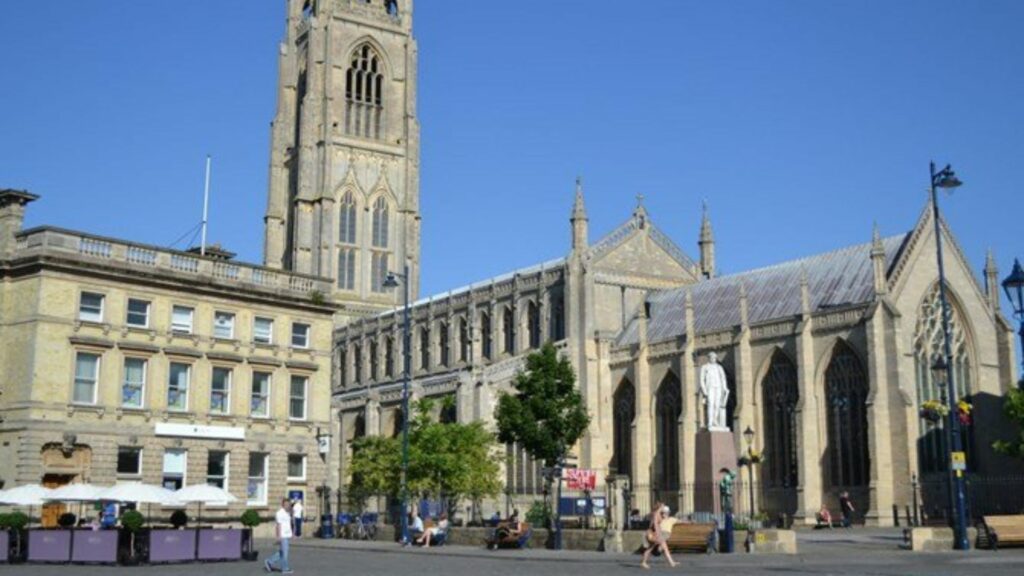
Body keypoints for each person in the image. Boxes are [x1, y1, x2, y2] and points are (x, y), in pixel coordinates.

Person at [640, 501, 677, 570]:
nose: (663, 508)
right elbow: (655, 525)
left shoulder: (657, 514)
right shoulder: (656, 514)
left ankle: (671, 562)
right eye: (663, 507)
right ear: (660, 507)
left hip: (653, 533)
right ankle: (671, 562)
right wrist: (658, 534)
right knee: (658, 548)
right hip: (653, 533)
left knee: (654, 548)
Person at [265, 498, 294, 574]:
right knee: (285, 553)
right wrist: (278, 536)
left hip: (287, 535)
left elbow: (288, 524)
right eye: (286, 504)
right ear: (282, 504)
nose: (287, 506)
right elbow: (278, 525)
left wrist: (292, 533)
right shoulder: (279, 513)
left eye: (288, 504)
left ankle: (269, 561)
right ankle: (285, 568)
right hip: (283, 535)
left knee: (281, 552)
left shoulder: (287, 513)